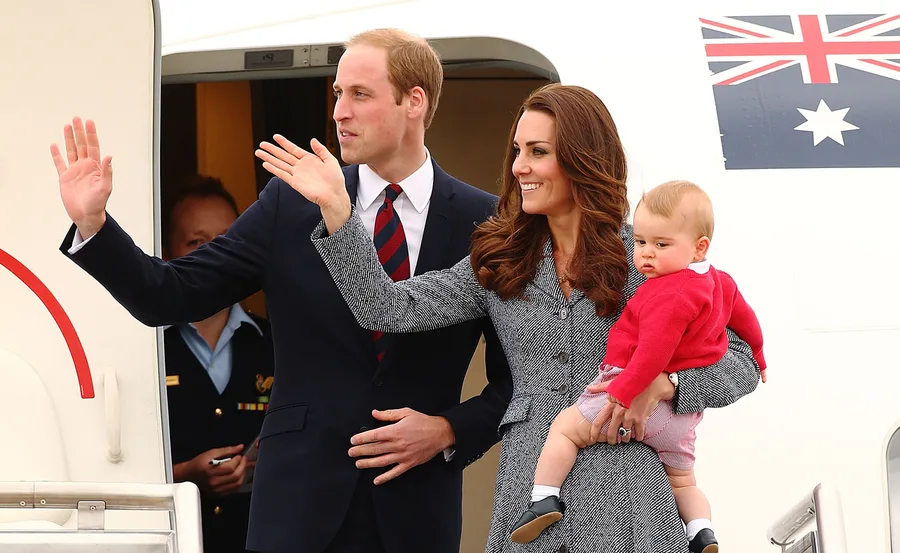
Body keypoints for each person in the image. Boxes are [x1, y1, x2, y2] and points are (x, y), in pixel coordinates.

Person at [50, 28, 512, 553]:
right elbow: (169, 295)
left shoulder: (488, 223)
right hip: (296, 511)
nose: (340, 111)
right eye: (337, 94)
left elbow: (521, 380)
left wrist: (447, 430)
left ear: (414, 102)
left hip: (415, 513)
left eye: (360, 94)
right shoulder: (289, 205)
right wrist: (95, 226)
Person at [256, 83, 763, 553]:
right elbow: (386, 307)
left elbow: (744, 363)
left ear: (582, 159)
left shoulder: (649, 256)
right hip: (529, 502)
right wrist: (339, 213)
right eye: (518, 151)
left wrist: (669, 384)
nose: (520, 166)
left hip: (633, 505)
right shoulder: (501, 260)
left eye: (538, 152)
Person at [508, 179, 767, 553]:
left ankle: (544, 498)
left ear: (699, 247)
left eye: (660, 245)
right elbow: (746, 320)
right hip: (682, 420)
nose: (645, 254)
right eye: (641, 242)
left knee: (565, 430)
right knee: (683, 481)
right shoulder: (719, 282)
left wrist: (623, 393)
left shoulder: (667, 293)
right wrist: (759, 355)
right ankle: (700, 531)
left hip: (633, 397)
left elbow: (652, 355)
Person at [161, 176, 273, 553]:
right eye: (196, 242)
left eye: (226, 241)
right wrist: (185, 476)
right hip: (168, 538)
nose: (213, 255)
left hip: (258, 537)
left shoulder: (279, 343)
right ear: (166, 252)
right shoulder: (146, 349)